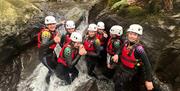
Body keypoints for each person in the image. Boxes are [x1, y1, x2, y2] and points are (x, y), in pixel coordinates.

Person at [113, 24, 154, 91]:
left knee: (119, 85)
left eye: (135, 34)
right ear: (128, 34)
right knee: (115, 80)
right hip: (122, 66)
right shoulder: (126, 43)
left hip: (130, 71)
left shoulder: (139, 49)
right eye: (130, 34)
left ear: (138, 37)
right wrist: (117, 54)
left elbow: (147, 65)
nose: (132, 36)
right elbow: (120, 49)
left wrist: (149, 80)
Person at [37, 16, 61, 84]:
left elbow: (54, 26)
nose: (52, 25)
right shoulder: (46, 34)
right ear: (46, 25)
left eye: (53, 23)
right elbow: (43, 45)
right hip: (45, 56)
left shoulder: (52, 28)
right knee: (52, 70)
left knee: (56, 65)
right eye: (50, 24)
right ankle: (47, 82)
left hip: (50, 53)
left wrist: (61, 23)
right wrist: (54, 40)